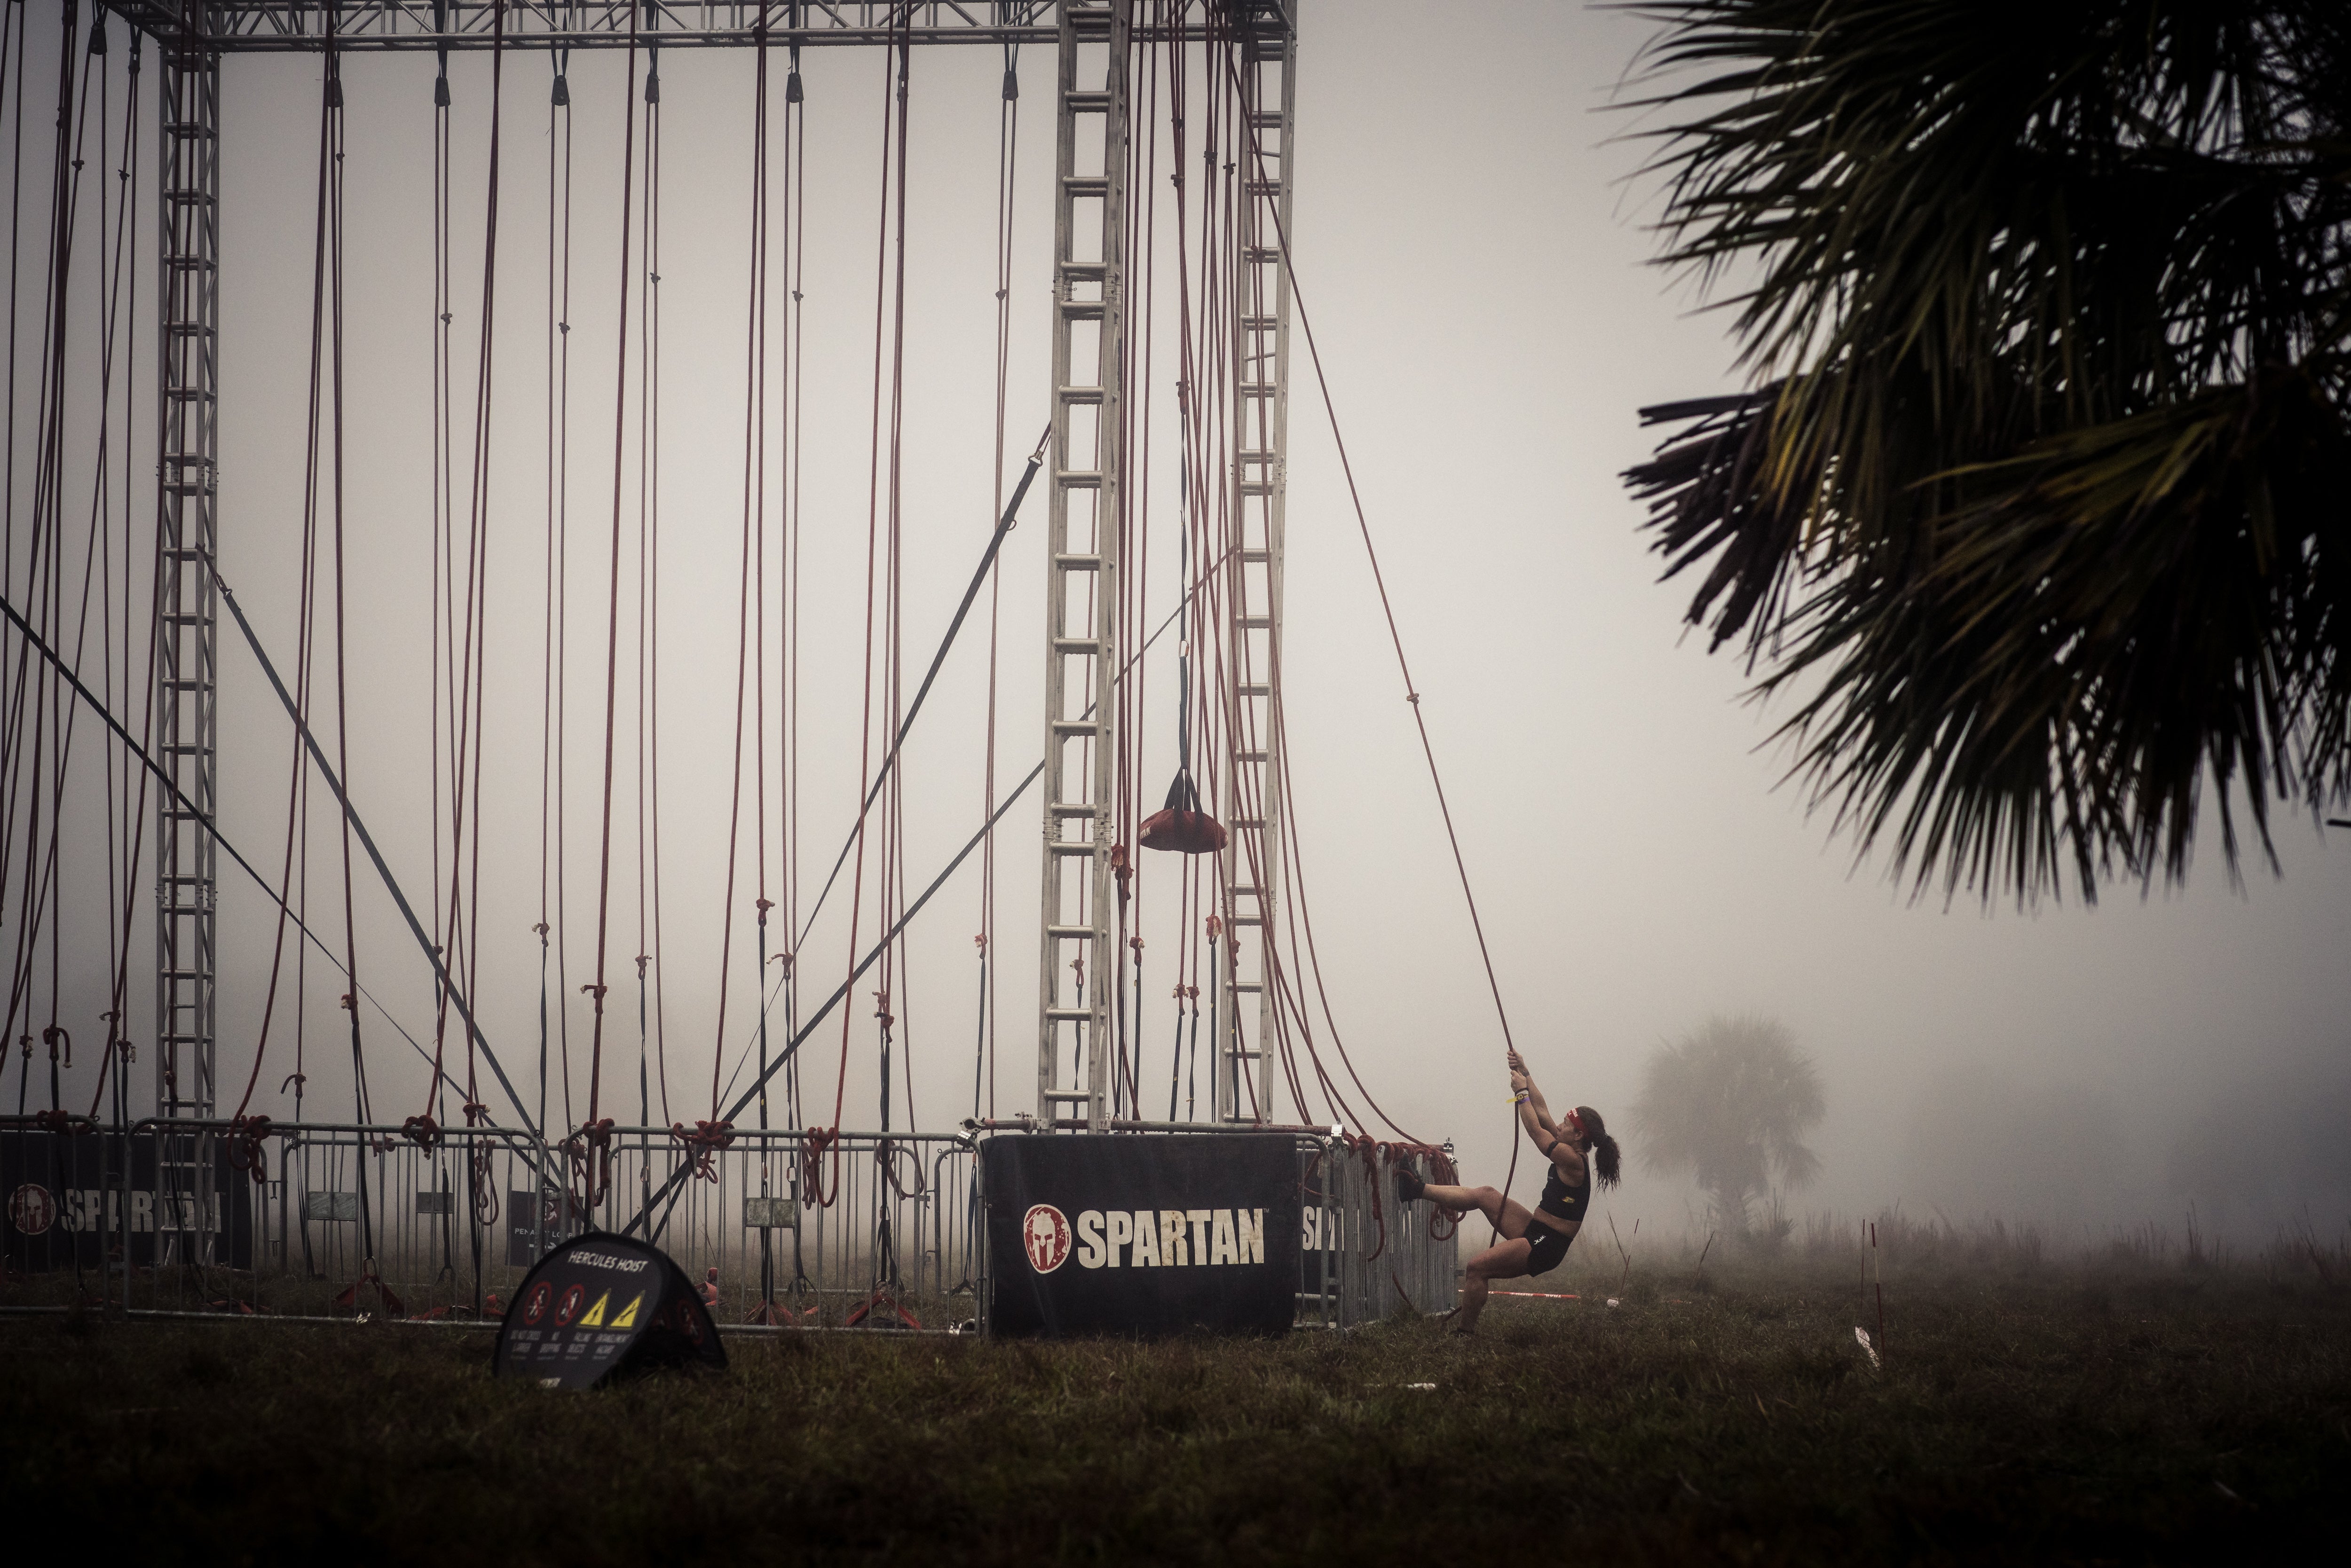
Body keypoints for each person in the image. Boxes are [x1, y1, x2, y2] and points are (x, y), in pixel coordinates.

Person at [1395, 1048, 1620, 1334]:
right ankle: (1415, 1189)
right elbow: (1541, 1111)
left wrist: (1520, 1094)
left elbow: (1536, 1133)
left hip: (1545, 1242)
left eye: (1567, 1124)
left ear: (1578, 1136)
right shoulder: (1569, 1144)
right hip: (1537, 1228)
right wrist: (1525, 1072)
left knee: (1477, 1269)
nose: (1560, 1125)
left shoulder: (1573, 1161)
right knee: (1486, 1194)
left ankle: (1465, 1335)